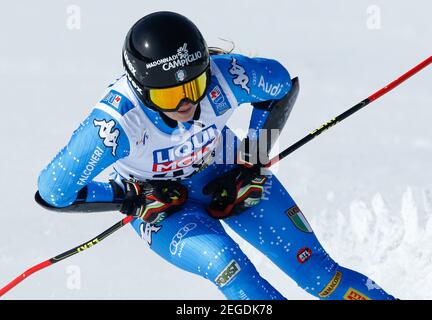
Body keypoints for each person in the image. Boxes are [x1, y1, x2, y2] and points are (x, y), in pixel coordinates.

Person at [37, 11, 395, 300]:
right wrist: (131, 197)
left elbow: (282, 88)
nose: (186, 104)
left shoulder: (224, 77)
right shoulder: (116, 125)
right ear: (140, 88)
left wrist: (252, 159)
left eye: (194, 86)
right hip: (166, 209)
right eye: (167, 97)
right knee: (229, 265)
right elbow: (53, 191)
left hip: (225, 173)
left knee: (318, 273)